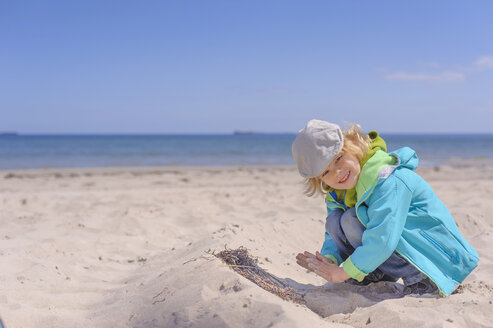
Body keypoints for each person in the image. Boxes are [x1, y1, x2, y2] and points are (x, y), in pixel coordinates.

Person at [292, 119, 479, 296]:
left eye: (339, 158)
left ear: (353, 147)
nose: (338, 172)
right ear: (319, 179)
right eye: (326, 171)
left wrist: (342, 273)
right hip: (392, 248)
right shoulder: (340, 191)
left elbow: (383, 238)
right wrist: (329, 260)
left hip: (437, 259)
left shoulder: (389, 180)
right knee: (339, 220)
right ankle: (373, 274)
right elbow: (332, 234)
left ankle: (420, 278)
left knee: (352, 220)